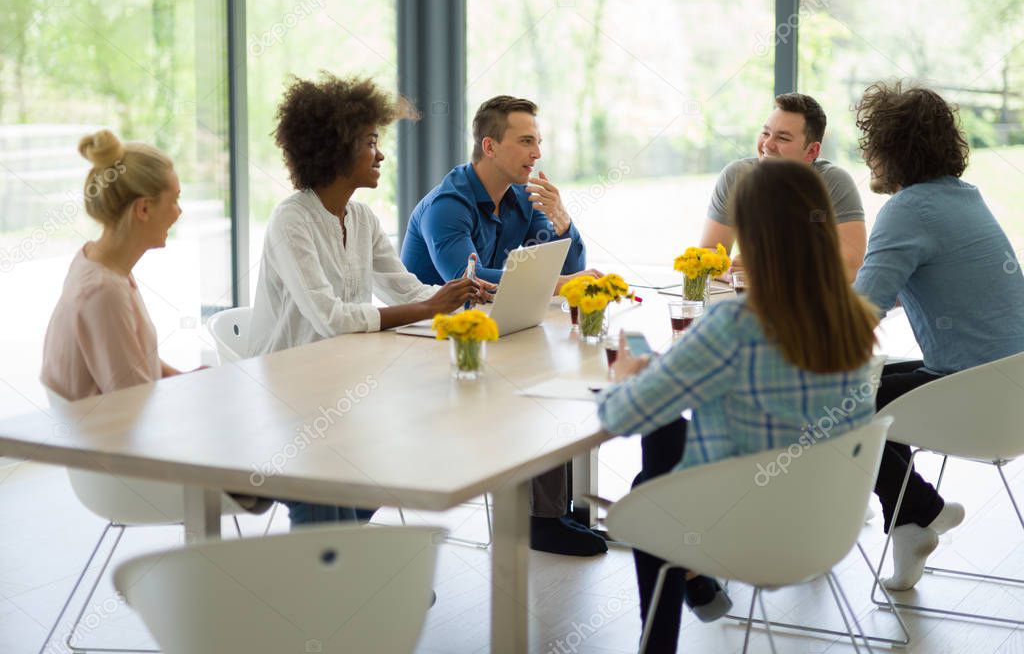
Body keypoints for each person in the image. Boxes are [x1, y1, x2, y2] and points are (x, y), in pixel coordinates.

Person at [599, 160, 879, 654]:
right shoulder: (853, 318)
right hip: (826, 519)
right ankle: (697, 584)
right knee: (665, 434)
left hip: (749, 526)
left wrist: (626, 377)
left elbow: (618, 417)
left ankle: (670, 622)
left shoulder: (736, 322)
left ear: (753, 234)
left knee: (648, 490)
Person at [248, 73, 483, 526]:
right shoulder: (291, 222)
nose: (381, 154)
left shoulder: (361, 218)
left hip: (342, 387)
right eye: (371, 141)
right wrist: (431, 308)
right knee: (345, 474)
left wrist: (459, 295)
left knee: (399, 448)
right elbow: (329, 317)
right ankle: (338, 572)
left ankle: (350, 567)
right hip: (289, 399)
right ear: (335, 148)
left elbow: (407, 289)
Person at [400, 94, 607, 557]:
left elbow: (564, 262)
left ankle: (553, 511)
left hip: (492, 331)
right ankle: (543, 519)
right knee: (541, 374)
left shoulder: (519, 196)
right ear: (490, 147)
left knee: (558, 364)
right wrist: (562, 281)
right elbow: (466, 278)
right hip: (430, 348)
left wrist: (562, 220)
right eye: (526, 142)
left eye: (539, 142)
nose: (537, 154)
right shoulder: (447, 205)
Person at [40, 130, 270, 512]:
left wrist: (188, 380)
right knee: (287, 448)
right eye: (174, 199)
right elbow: (137, 408)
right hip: (125, 464)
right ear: (143, 209)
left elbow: (133, 368)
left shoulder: (99, 264)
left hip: (126, 439)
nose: (179, 212)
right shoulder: (103, 292)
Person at [852, 81, 1024, 590]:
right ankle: (913, 526)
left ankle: (922, 511)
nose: (867, 158)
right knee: (873, 386)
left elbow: (860, 318)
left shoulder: (907, 211)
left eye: (871, 145)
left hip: (977, 399)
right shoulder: (965, 200)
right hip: (1010, 389)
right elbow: (930, 283)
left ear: (891, 149)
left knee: (839, 399)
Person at [699, 92, 866, 280]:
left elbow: (852, 266)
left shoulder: (833, 182)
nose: (767, 145)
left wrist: (770, 269)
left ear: (811, 151)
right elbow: (708, 251)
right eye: (765, 133)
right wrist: (734, 274)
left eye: (783, 138)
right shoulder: (736, 177)